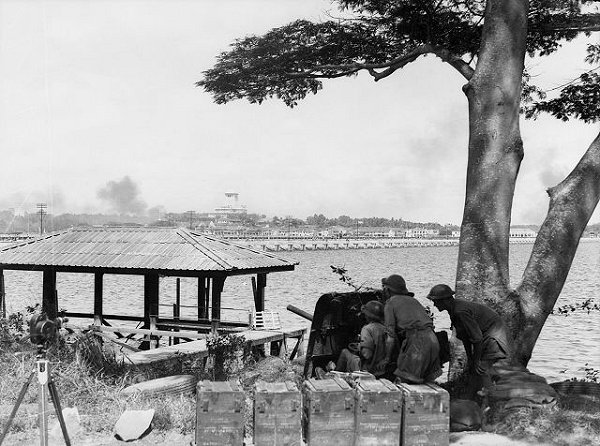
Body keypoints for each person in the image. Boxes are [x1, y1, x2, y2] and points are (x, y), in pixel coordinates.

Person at [426, 283, 509, 396]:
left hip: (493, 337)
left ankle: (491, 398)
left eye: (436, 301)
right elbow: (466, 338)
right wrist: (471, 359)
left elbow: (477, 338)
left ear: (445, 300)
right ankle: (476, 396)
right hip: (486, 336)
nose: (434, 305)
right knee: (475, 369)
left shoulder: (460, 312)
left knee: (482, 369)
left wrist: (476, 360)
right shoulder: (454, 311)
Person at [382, 274, 442, 383]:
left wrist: (386, 359)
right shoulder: (414, 301)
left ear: (387, 290)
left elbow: (390, 338)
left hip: (418, 343)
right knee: (427, 384)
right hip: (433, 340)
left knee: (403, 382)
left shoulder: (390, 303)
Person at [335, 300, 388, 377]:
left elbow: (367, 355)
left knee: (344, 352)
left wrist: (360, 347)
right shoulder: (387, 329)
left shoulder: (367, 329)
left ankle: (334, 376)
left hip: (369, 371)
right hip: (384, 370)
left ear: (367, 315)